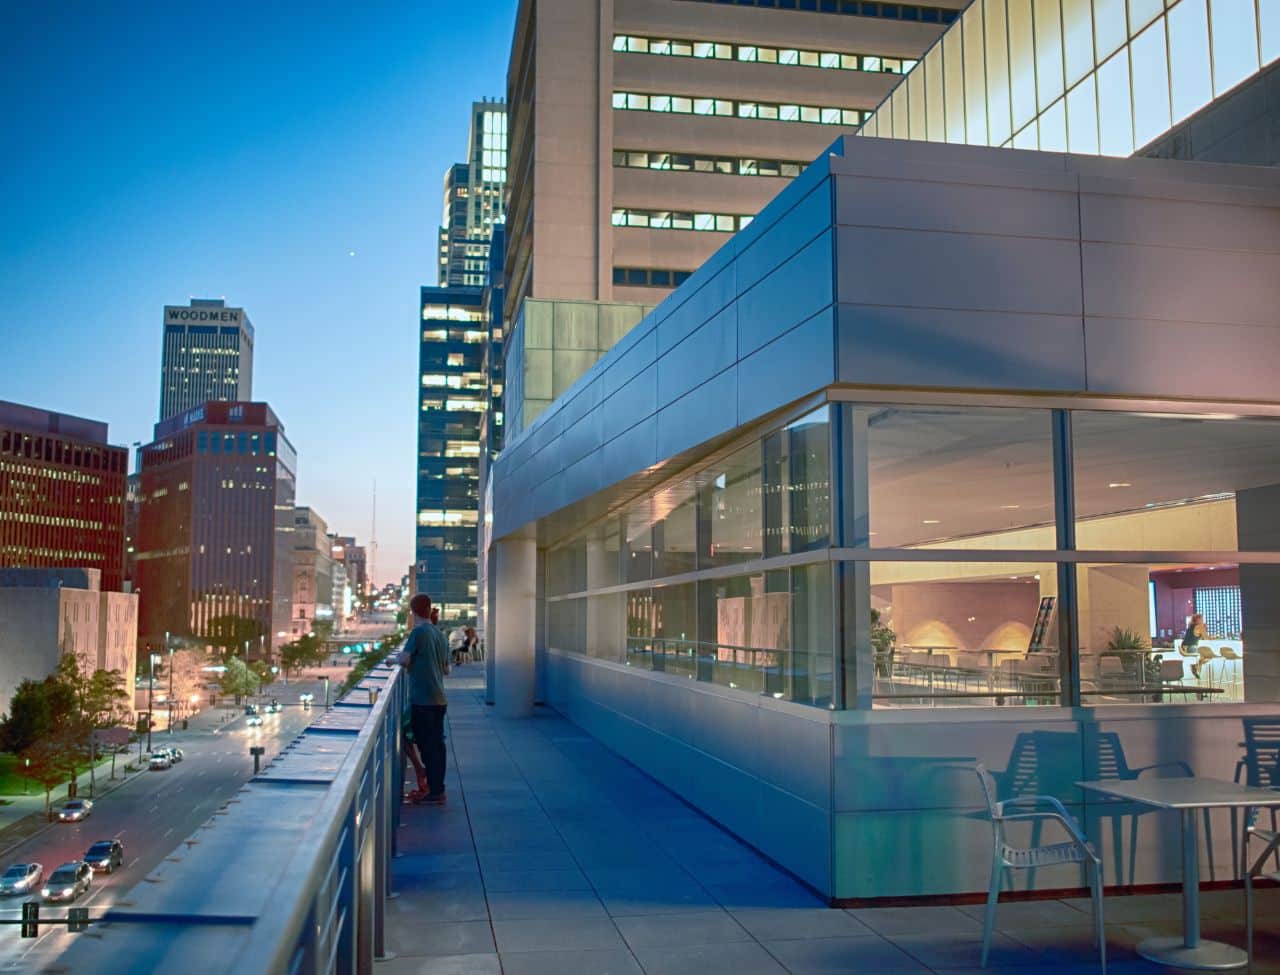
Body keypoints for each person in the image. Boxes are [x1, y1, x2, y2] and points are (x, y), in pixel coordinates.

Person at [395, 593, 451, 804]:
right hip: (439, 699)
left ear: (413, 611)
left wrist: (396, 661)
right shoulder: (439, 634)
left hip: (422, 698)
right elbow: (447, 670)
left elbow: (405, 659)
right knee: (438, 745)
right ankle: (438, 789)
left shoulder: (418, 633)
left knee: (427, 748)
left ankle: (434, 792)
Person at [1182, 613, 1208, 677]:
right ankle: (1197, 665)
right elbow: (1206, 638)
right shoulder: (1199, 627)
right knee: (1207, 654)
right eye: (1202, 619)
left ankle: (1196, 665)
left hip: (1184, 649)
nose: (1203, 620)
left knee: (1203, 654)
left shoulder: (1190, 626)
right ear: (1198, 620)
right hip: (1191, 648)